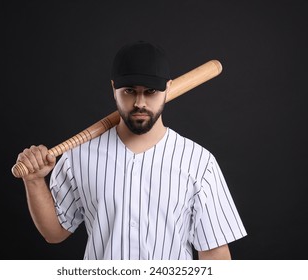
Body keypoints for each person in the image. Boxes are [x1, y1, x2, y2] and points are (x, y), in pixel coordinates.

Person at [15, 40, 247, 260]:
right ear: (114, 88)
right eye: (129, 91)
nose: (140, 103)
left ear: (168, 88)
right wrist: (34, 181)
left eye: (150, 91)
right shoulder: (78, 156)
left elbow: (215, 254)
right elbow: (55, 233)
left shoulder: (198, 162)